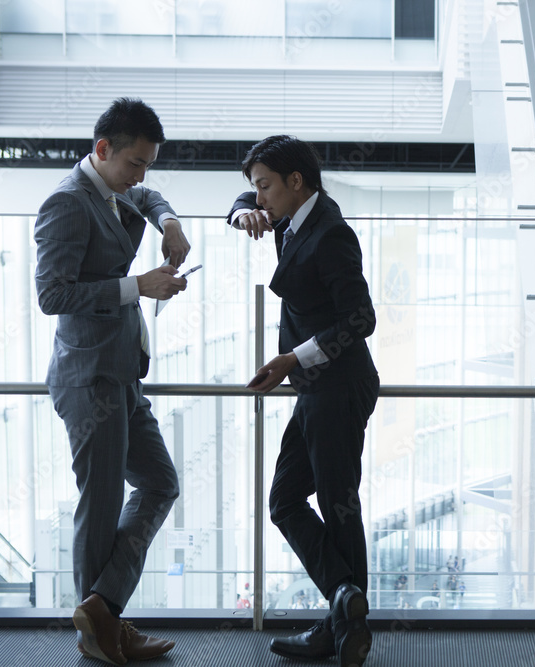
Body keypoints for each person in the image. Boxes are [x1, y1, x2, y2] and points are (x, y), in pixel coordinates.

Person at [34, 97, 189, 665]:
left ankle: (101, 608)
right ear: (102, 150)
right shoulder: (66, 205)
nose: (141, 176)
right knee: (99, 509)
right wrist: (137, 287)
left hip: (124, 375)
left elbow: (147, 197)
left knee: (160, 482)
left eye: (149, 164)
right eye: (135, 164)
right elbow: (52, 295)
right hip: (89, 378)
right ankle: (100, 631)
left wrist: (168, 219)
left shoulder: (116, 187)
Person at [228, 135, 379, 667]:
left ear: (296, 182)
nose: (258, 198)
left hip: (337, 386)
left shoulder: (331, 234)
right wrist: (242, 210)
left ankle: (343, 619)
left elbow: (362, 319)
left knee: (339, 505)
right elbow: (243, 205)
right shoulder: (295, 215)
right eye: (255, 189)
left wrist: (295, 357)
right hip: (316, 389)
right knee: (286, 501)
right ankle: (344, 603)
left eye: (264, 187)